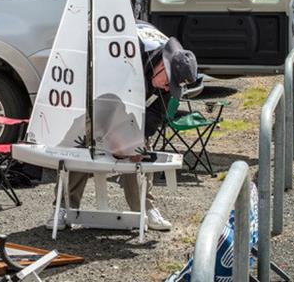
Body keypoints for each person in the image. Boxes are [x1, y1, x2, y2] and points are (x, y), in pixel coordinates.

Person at [46, 36, 198, 232]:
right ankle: (64, 207)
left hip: (130, 121)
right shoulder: (130, 55)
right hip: (98, 106)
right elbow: (100, 90)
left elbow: (154, 118)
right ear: (162, 65)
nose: (167, 88)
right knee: (79, 142)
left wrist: (135, 142)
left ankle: (145, 208)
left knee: (140, 149)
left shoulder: (166, 86)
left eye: (172, 87)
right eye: (168, 83)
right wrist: (113, 135)